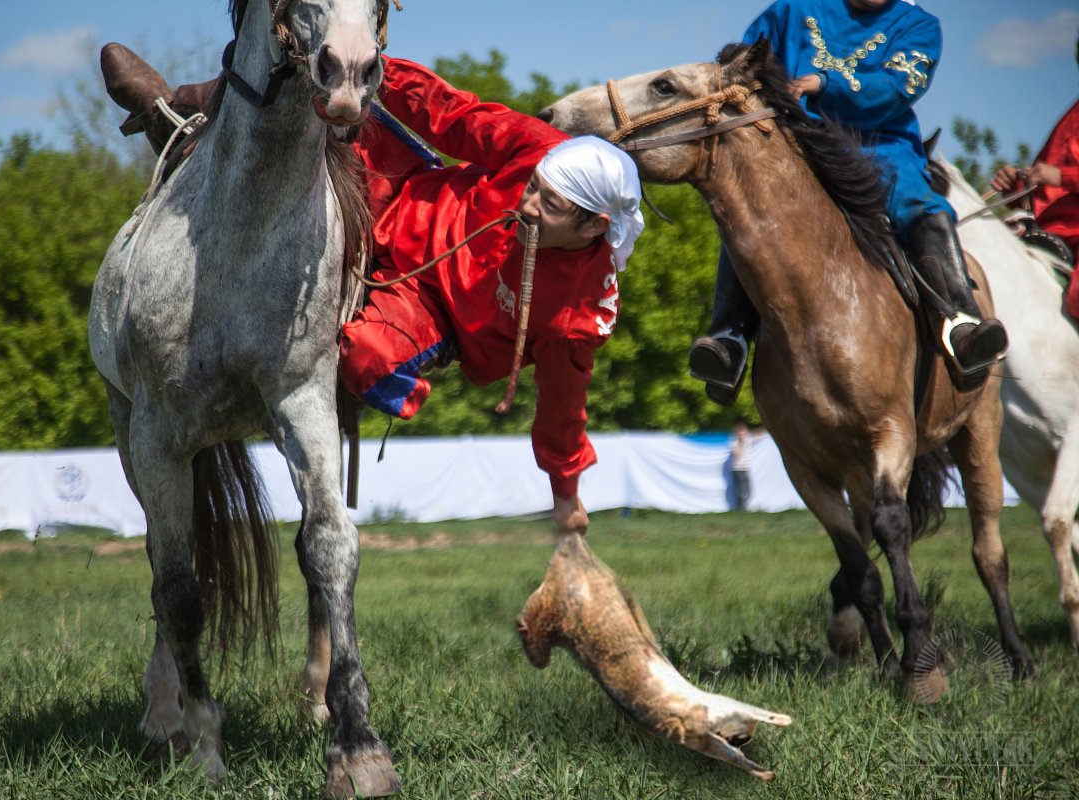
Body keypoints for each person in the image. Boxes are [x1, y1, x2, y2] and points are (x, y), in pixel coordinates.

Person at [97, 48, 645, 537]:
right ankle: (171, 111)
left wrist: (566, 491)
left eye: (549, 208)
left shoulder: (578, 315)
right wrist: (368, 69)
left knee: (369, 361)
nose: (528, 206)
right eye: (533, 190)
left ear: (595, 227)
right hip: (402, 195)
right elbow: (454, 115)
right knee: (325, 110)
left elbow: (562, 408)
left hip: (429, 309)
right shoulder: (541, 149)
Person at [688, 0, 1009, 405]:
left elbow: (897, 88)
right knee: (750, 213)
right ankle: (729, 338)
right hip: (795, 144)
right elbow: (747, 61)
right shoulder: (793, 8)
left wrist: (823, 84)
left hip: (879, 146)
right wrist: (736, 66)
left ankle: (960, 323)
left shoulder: (919, 26)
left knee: (919, 205)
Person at [990, 32, 1079, 318]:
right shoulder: (1072, 115)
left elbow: (1058, 177)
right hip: (1048, 230)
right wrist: (1016, 185)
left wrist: (1062, 177)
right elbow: (1044, 189)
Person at [729, 422, 755, 511]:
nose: (742, 435)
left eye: (743, 433)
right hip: (738, 469)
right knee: (741, 491)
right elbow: (737, 454)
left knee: (748, 490)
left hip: (746, 468)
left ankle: (743, 508)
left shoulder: (748, 440)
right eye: (740, 433)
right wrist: (741, 443)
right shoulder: (734, 443)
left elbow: (758, 434)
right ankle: (741, 509)